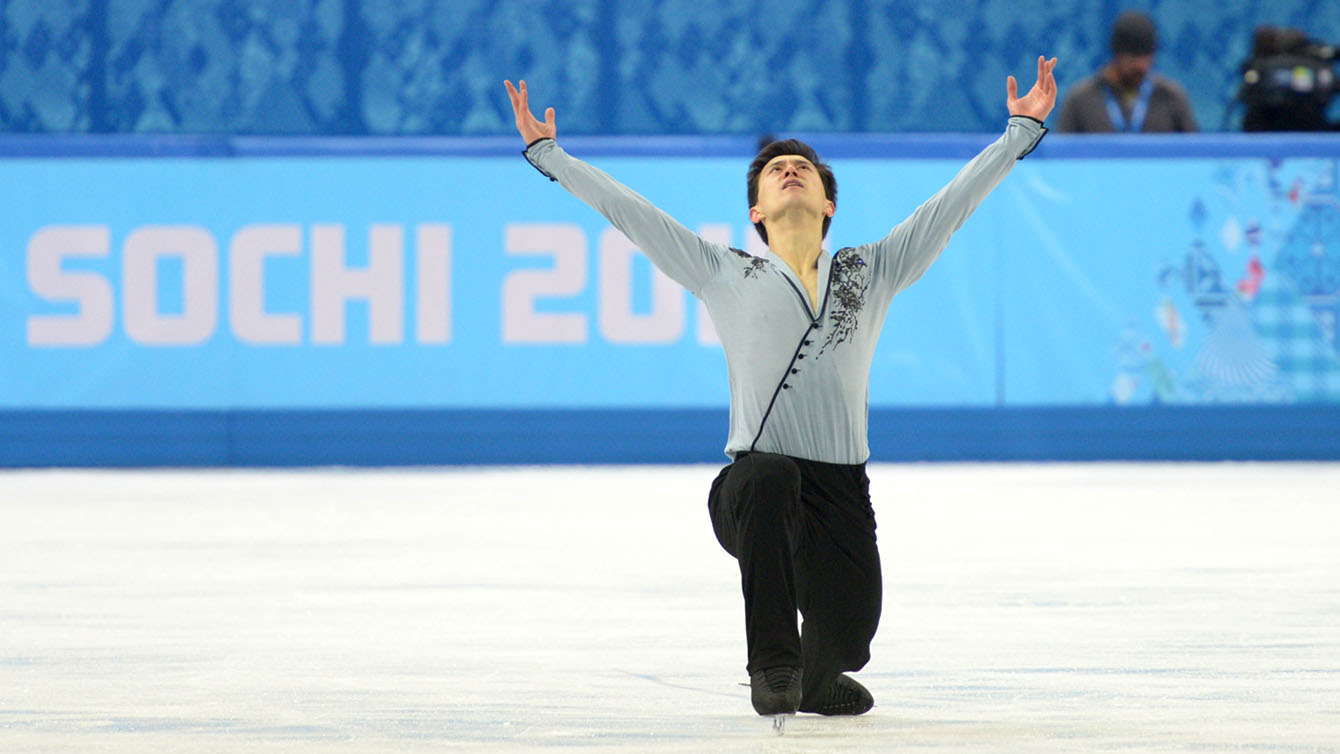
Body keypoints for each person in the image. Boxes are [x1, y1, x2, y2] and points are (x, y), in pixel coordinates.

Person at [502, 56, 1057, 719]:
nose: (789, 168)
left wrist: (1018, 134)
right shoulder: (723, 271)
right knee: (768, 479)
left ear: (827, 202)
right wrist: (548, 153)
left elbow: (952, 206)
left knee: (853, 633)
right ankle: (775, 664)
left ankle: (821, 675)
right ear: (756, 210)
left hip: (840, 491)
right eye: (774, 169)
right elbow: (630, 212)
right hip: (751, 490)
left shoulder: (870, 269)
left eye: (804, 168)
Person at [1056, 10, 1197, 133]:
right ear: (1116, 55)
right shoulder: (1081, 100)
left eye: (1146, 57)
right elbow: (1062, 157)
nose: (1140, 66)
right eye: (1132, 58)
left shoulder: (1172, 97)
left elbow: (1195, 155)